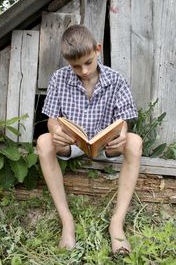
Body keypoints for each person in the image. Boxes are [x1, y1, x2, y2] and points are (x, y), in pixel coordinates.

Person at [37, 24, 142, 254]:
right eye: (76, 66)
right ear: (67, 62)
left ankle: (116, 225)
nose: (83, 71)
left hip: (106, 146)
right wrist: (55, 130)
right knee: (44, 141)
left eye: (88, 63)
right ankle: (67, 222)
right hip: (73, 144)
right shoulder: (59, 78)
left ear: (97, 50)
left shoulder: (116, 79)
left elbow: (124, 120)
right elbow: (52, 118)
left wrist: (122, 133)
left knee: (135, 141)